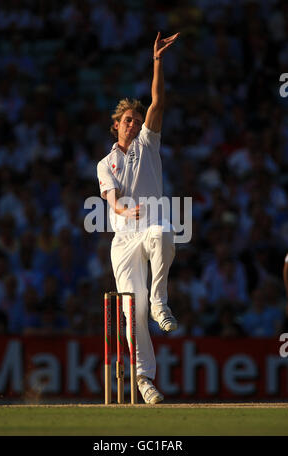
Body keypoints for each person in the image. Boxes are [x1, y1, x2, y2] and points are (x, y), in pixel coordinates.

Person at [97, 32, 180, 404]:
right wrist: (122, 210)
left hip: (148, 226)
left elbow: (159, 102)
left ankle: (162, 301)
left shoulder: (149, 141)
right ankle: (144, 379)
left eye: (135, 119)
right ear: (116, 125)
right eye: (127, 120)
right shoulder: (106, 162)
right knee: (134, 308)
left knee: (164, 230)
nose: (133, 124)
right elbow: (112, 200)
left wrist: (157, 61)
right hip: (123, 239)